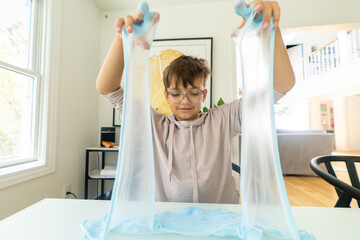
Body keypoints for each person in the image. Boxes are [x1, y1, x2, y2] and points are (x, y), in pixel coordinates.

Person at [96, 0, 295, 204]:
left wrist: (272, 30)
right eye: (175, 93)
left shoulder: (224, 119)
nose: (185, 101)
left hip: (220, 220)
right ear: (166, 96)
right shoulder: (154, 125)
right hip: (168, 221)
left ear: (204, 95)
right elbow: (107, 88)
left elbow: (283, 84)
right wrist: (122, 38)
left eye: (193, 93)